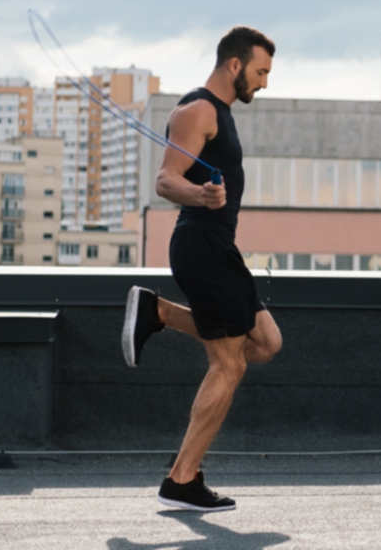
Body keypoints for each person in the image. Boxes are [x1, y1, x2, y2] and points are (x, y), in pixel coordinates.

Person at [121, 26, 282, 512]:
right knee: (229, 363)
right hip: (203, 245)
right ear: (234, 65)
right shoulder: (198, 110)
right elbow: (167, 180)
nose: (264, 83)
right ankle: (182, 479)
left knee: (265, 344)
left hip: (217, 248)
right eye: (260, 72)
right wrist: (201, 194)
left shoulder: (222, 113)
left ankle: (161, 312)